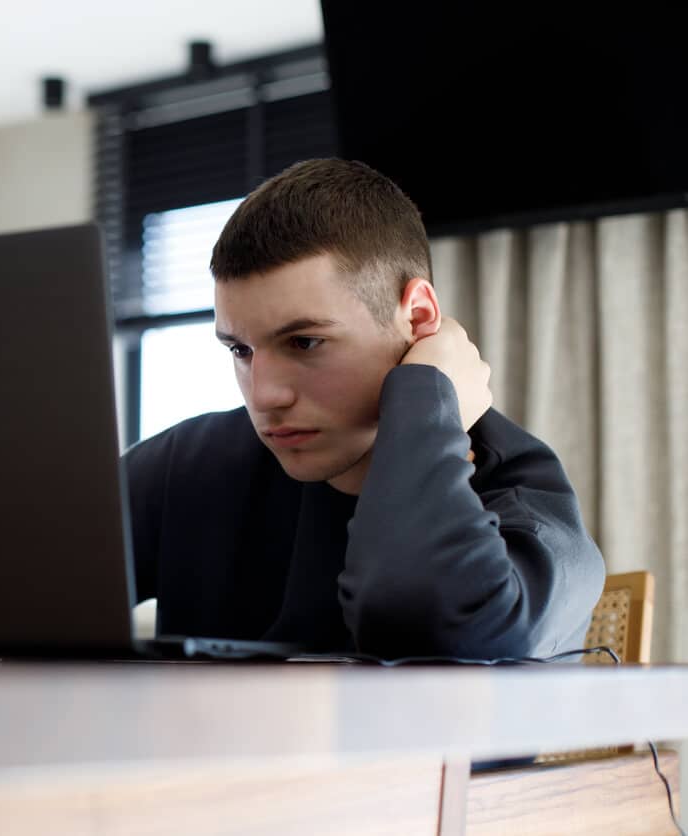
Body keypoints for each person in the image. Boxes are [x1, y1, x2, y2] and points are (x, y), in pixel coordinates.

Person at [124, 158, 605, 660]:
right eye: (240, 351)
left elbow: (420, 619)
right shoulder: (192, 463)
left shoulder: (531, 516)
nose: (264, 395)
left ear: (418, 318)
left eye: (305, 342)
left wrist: (425, 392)